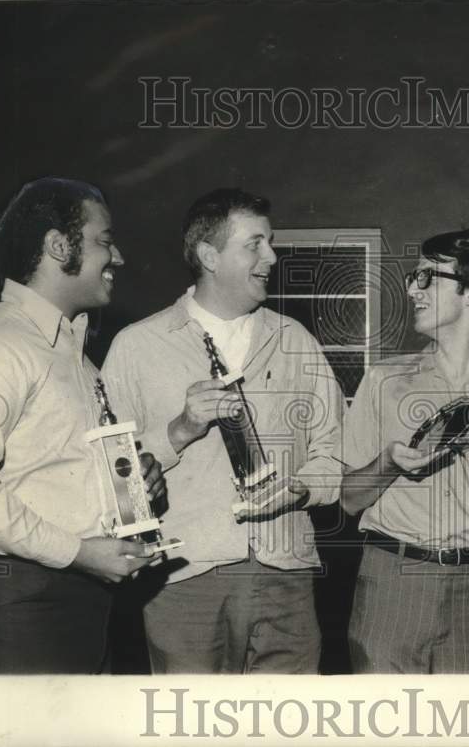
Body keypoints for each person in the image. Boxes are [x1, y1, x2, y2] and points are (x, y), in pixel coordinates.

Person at [0, 177, 165, 674]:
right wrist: (78, 552)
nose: (117, 257)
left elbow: (57, 470)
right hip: (16, 604)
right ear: (58, 246)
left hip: (75, 599)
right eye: (104, 240)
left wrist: (134, 483)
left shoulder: (76, 357)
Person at [101, 188, 343, 674]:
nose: (271, 257)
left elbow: (336, 456)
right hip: (185, 580)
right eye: (255, 245)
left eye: (270, 243)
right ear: (209, 256)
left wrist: (300, 489)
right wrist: (180, 430)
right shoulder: (136, 347)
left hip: (287, 579)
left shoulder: (296, 341)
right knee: (194, 716)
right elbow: (111, 480)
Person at [340, 229, 469, 673]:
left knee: (468, 715)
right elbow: (349, 498)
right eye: (413, 278)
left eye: (427, 278)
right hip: (392, 580)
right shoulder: (384, 381)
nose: (412, 290)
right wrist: (388, 464)